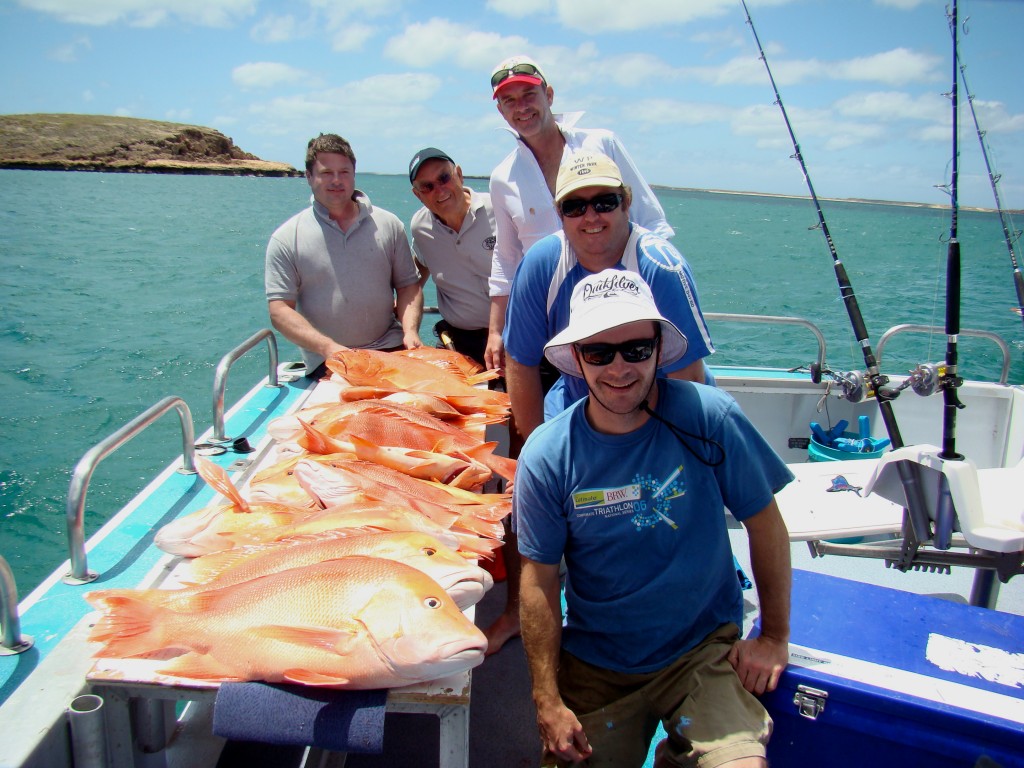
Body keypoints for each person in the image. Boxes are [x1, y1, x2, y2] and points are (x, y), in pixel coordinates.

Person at [515, 269, 793, 767]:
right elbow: (538, 578)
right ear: (577, 358)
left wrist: (773, 636)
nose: (619, 368)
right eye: (599, 352)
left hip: (701, 650)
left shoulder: (711, 418)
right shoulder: (548, 455)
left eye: (636, 350)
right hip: (598, 660)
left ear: (657, 348)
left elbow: (765, 520)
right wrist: (547, 698)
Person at [504, 150, 715, 439]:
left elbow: (689, 380)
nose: (591, 217)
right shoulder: (541, 265)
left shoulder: (661, 267)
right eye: (574, 206)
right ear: (559, 213)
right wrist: (535, 451)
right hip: (579, 406)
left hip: (663, 415)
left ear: (626, 203)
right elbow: (520, 361)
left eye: (604, 202)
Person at [485, 54, 674, 374]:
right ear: (501, 110)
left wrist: (659, 304)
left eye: (529, 95)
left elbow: (652, 223)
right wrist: (494, 330)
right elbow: (506, 258)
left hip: (622, 312)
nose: (521, 107)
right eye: (509, 100)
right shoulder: (502, 178)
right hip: (550, 322)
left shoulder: (602, 144)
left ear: (549, 95)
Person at [265, 133, 423, 378]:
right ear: (309, 177)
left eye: (344, 172)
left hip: (391, 351)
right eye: (327, 172)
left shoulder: (389, 224)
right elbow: (279, 310)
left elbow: (408, 287)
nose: (337, 180)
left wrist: (410, 331)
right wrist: (329, 348)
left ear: (354, 174)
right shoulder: (286, 237)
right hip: (328, 361)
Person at [408, 147, 495, 366]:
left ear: (459, 174)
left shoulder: (501, 208)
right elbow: (415, 274)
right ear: (417, 195)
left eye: (444, 177)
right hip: (460, 343)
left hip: (517, 334)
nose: (439, 189)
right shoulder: (420, 228)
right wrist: (405, 322)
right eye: (427, 187)